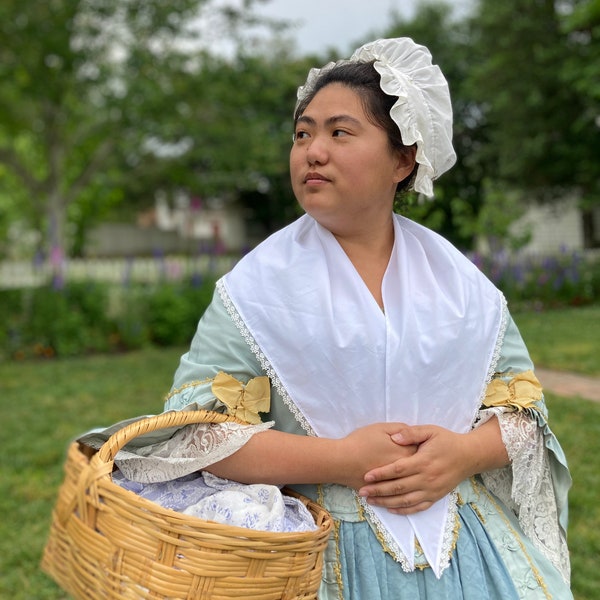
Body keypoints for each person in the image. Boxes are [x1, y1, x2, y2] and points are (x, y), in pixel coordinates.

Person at [155, 38, 572, 598]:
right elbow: (194, 436)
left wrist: (462, 454)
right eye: (303, 133)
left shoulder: (460, 284)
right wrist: (341, 459)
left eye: (339, 132)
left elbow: (524, 416)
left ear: (404, 159)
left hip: (462, 551)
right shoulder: (256, 288)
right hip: (321, 555)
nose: (312, 151)